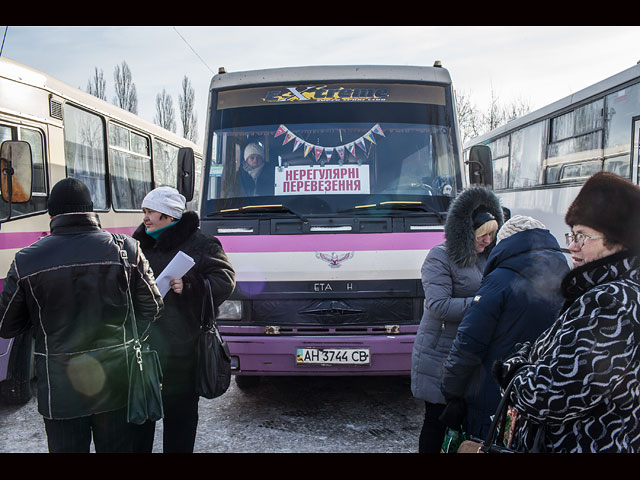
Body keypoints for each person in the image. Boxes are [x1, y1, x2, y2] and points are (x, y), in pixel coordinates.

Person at [0, 178, 163, 453]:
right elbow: (153, 308)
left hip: (60, 391)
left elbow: (6, 325)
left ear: (52, 215)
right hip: (117, 384)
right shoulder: (127, 250)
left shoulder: (26, 260)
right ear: (91, 210)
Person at [493, 172, 640, 452]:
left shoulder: (610, 301)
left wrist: (512, 374)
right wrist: (531, 360)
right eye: (572, 234)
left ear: (619, 240)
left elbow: (553, 395)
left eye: (582, 236)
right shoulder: (609, 292)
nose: (572, 245)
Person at [439, 216, 569, 440]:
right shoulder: (567, 278)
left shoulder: (499, 280)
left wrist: (451, 389)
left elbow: (469, 343)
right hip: (544, 394)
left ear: (506, 244)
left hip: (495, 396)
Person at [132, 186, 235, 453]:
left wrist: (191, 286)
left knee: (180, 422)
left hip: (183, 351)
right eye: (144, 211)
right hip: (143, 348)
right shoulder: (136, 244)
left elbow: (225, 281)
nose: (145, 218)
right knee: (139, 419)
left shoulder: (201, 243)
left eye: (151, 212)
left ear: (169, 215)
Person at [410, 186, 503, 453]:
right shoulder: (439, 256)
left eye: (492, 235)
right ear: (466, 231)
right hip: (438, 353)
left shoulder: (486, 259)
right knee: (437, 419)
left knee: (462, 420)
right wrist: (479, 305)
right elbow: (438, 305)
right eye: (482, 234)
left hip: (466, 352)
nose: (487, 241)